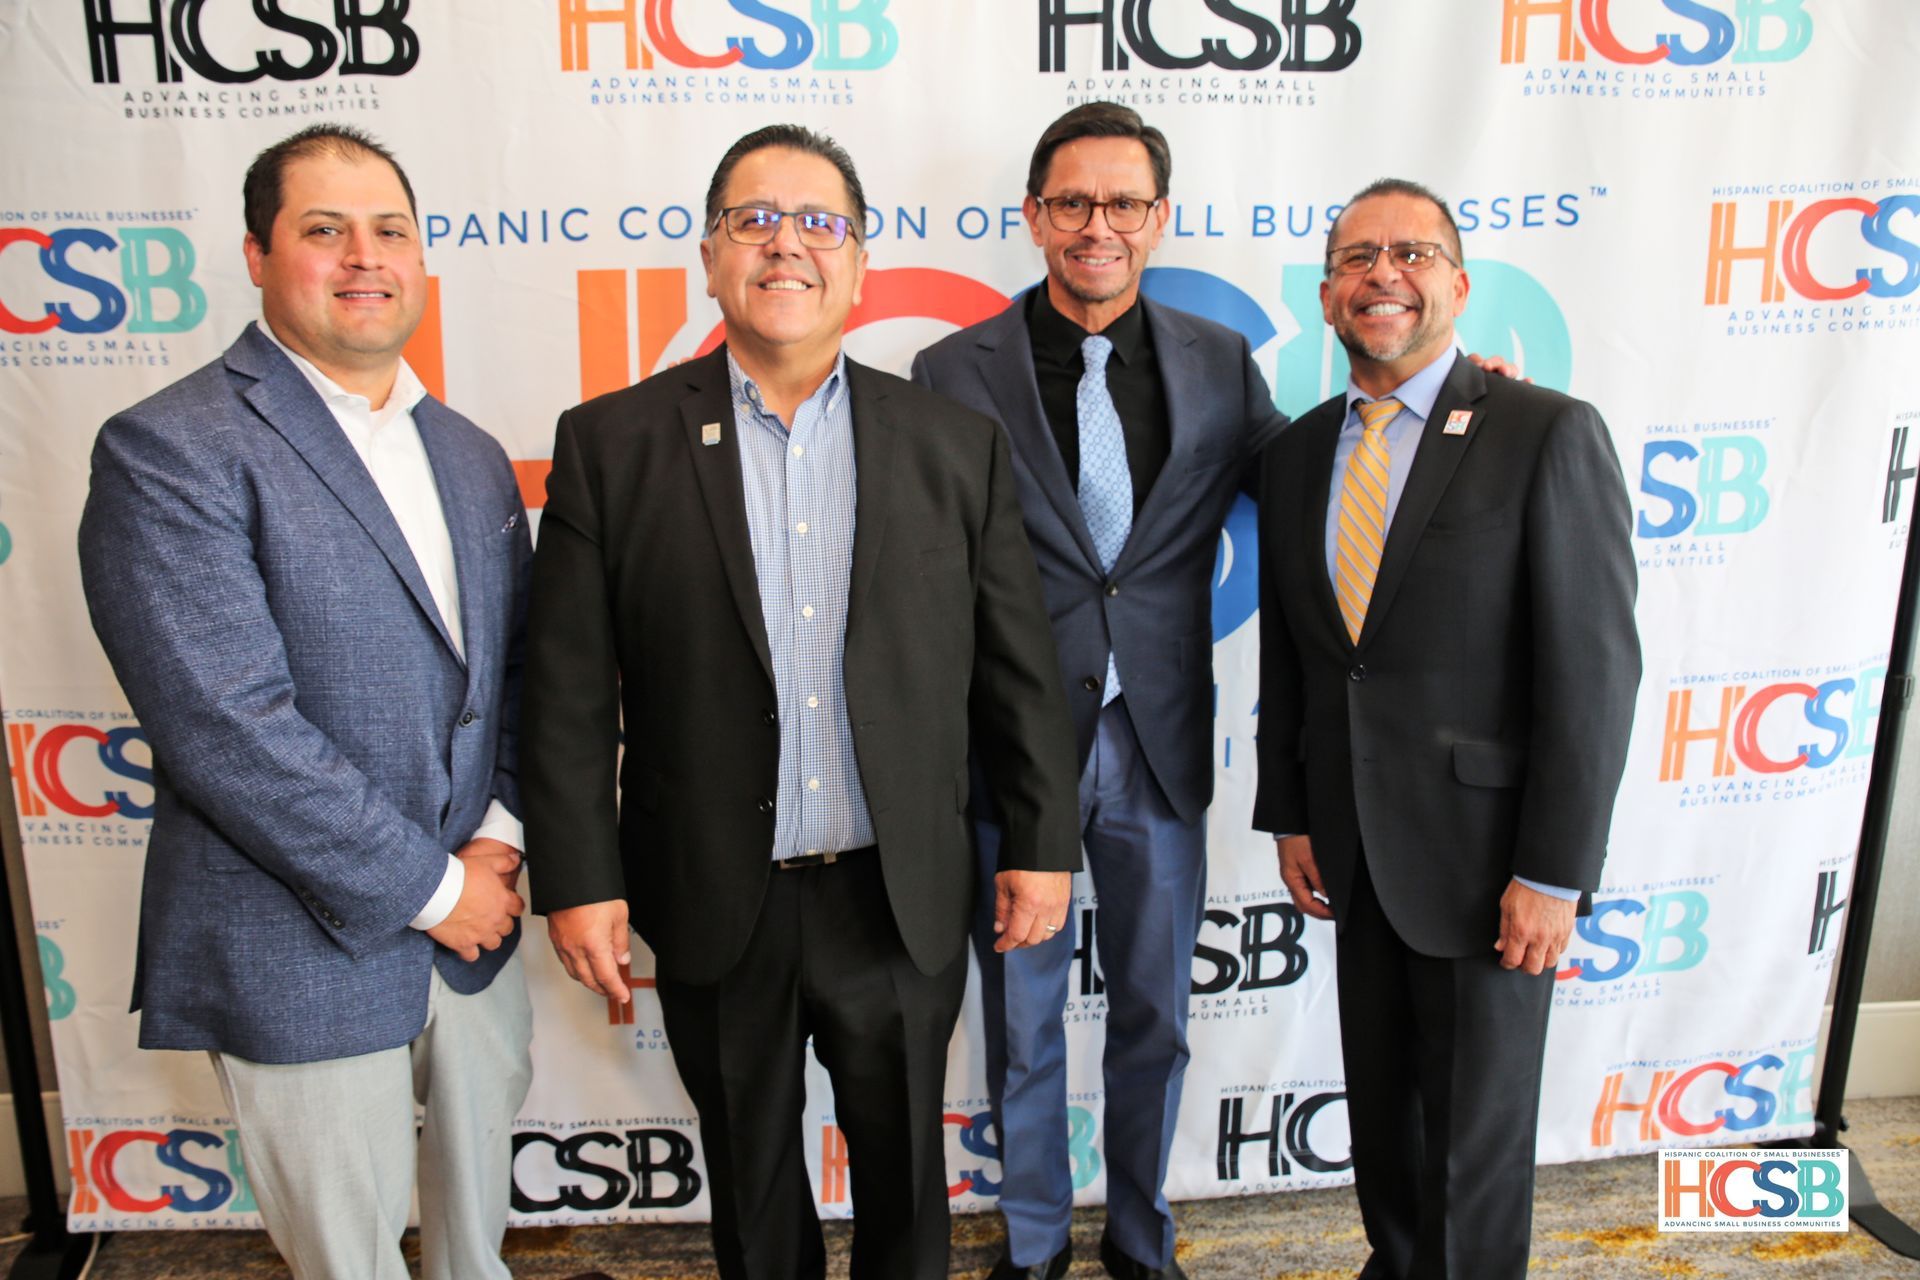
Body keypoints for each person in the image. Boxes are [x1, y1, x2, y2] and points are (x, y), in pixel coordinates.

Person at [520, 124, 1081, 1280]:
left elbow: (1015, 666)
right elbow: (568, 691)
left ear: (859, 262)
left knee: (906, 1199)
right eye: (753, 221)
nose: (788, 246)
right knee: (754, 1195)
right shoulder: (611, 444)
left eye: (819, 222)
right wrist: (580, 876)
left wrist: (1042, 839)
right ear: (712, 257)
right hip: (720, 895)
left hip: (898, 891)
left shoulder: (951, 444)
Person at [76, 124, 532, 1280]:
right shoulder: (169, 448)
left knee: (478, 1255)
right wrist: (436, 890)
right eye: (323, 230)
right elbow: (226, 728)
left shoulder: (470, 453)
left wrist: (498, 835)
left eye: (389, 230)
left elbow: (522, 672)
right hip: (299, 942)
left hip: (476, 931)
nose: (363, 257)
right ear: (255, 252)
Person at [911, 102, 1286, 1280]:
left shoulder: (1220, 363)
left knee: (1156, 1017)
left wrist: (1454, 417)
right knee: (1021, 1025)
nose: (1098, 226)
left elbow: (1310, 478)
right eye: (1072, 202)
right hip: (1012, 748)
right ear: (1033, 217)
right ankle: (1030, 1246)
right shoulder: (947, 370)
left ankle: (1139, 1234)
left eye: (1124, 203)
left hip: (1162, 741)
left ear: (1159, 218)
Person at [1253, 178, 1640, 1279]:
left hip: (1489, 870)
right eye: (1357, 257)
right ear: (1327, 294)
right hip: (1353, 852)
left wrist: (1555, 873)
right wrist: (1291, 812)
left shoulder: (1544, 432)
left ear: (1458, 285)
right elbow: (1298, 653)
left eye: (1412, 253)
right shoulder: (1294, 455)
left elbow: (1594, 670)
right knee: (1388, 1133)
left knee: (1473, 1154)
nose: (1384, 274)